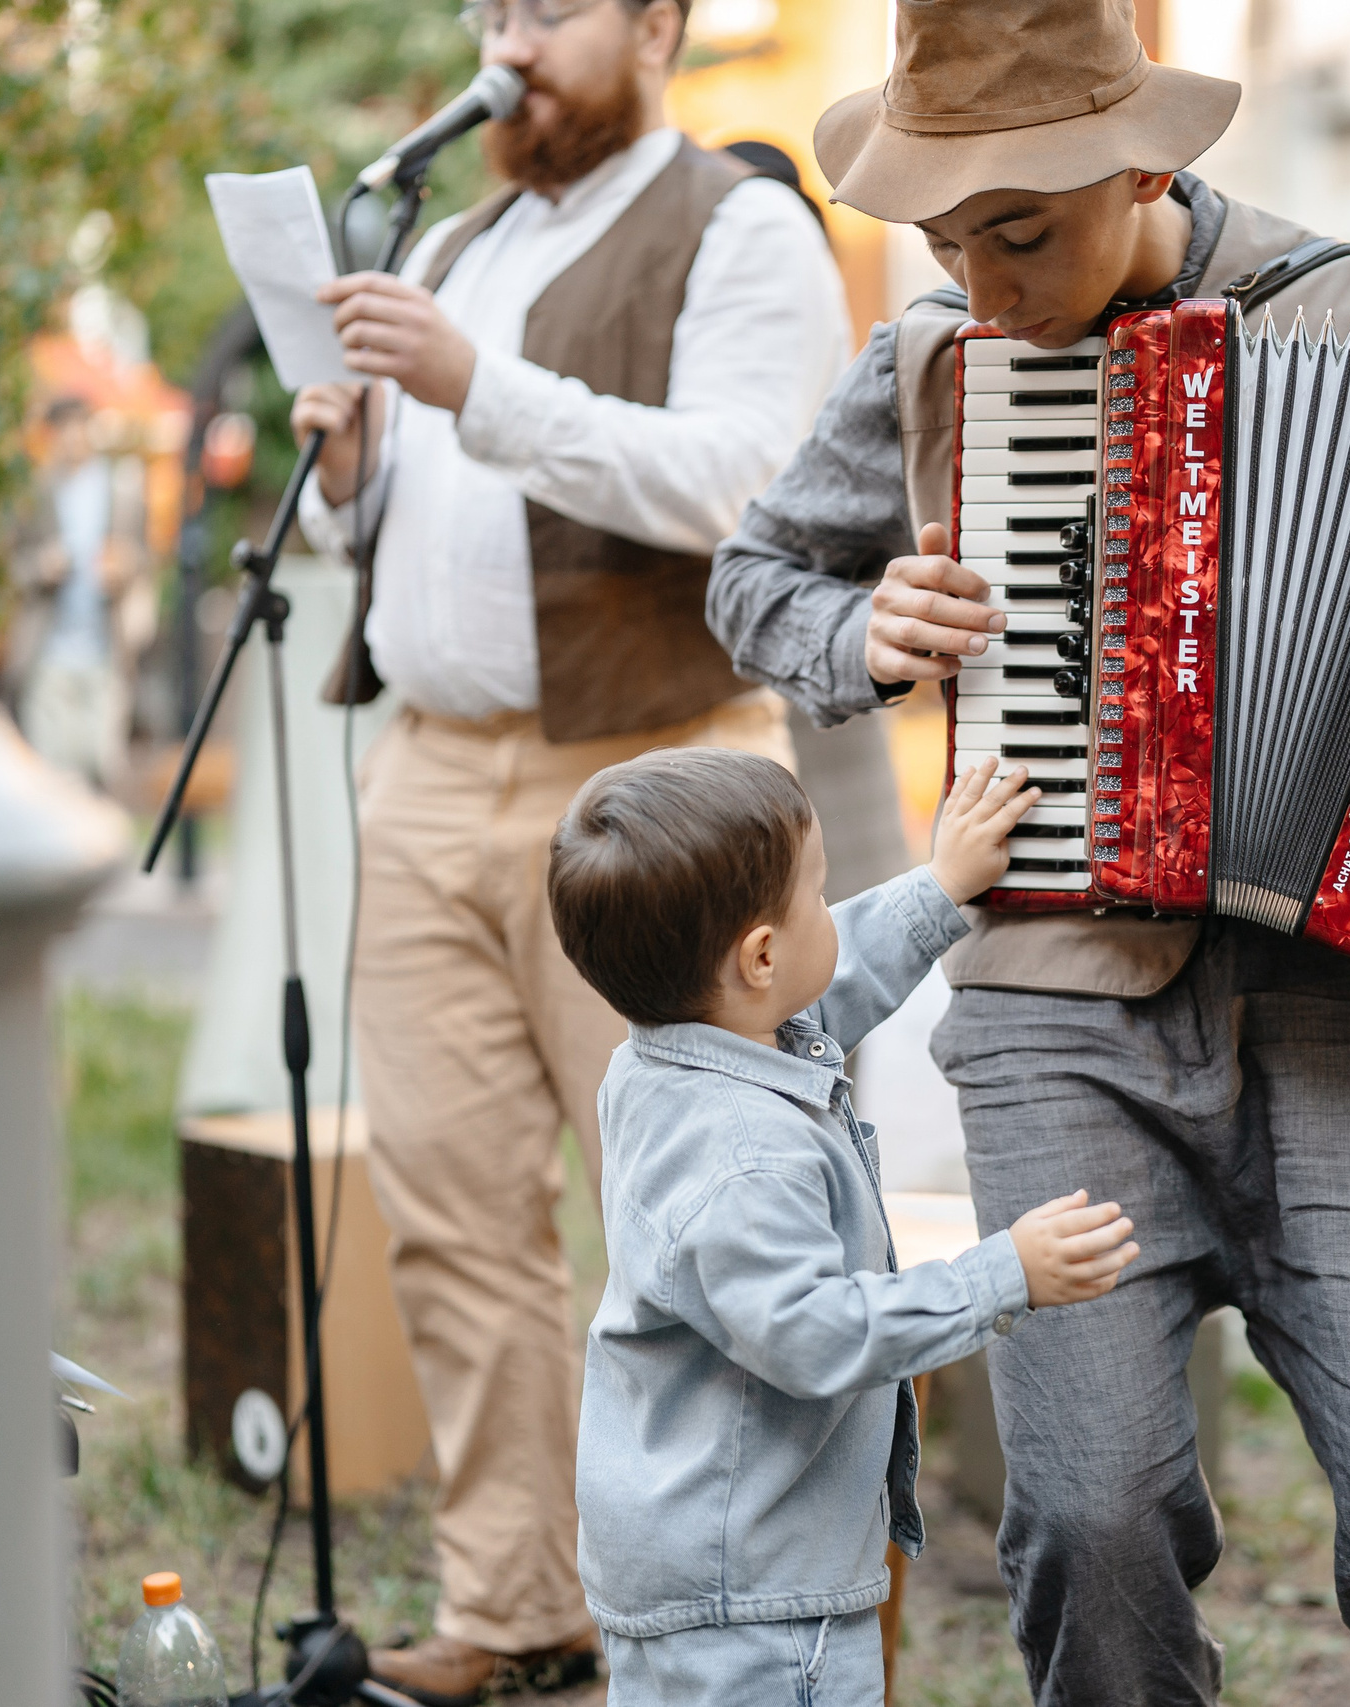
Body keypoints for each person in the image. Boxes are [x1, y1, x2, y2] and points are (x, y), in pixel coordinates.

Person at [705, 3, 1350, 1701]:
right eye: (942, 240)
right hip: (1055, 1008)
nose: (982, 287)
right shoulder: (934, 364)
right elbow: (753, 583)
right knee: (1092, 1521)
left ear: (1146, 157)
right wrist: (865, 627)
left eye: (1022, 233)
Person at [282, 0, 848, 1695]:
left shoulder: (739, 227)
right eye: (493, 7)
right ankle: (522, 1608)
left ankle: (733, 1631)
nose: (509, 36)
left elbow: (750, 484)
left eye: (554, 5)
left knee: (690, 1222)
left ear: (661, 22)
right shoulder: (456, 238)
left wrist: (480, 388)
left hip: (655, 781)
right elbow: (410, 526)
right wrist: (354, 468)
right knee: (454, 1216)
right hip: (434, 772)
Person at [550, 749, 1137, 1705]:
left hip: (691, 1571)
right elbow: (820, 1334)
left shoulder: (669, 1058)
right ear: (762, 956)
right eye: (820, 895)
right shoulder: (746, 1157)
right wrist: (1000, 1276)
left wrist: (943, 887)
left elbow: (823, 984)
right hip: (761, 1608)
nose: (833, 911)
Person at [11, 396, 151, 793]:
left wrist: (124, 566)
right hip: (49, 648)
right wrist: (42, 566)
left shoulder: (120, 488)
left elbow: (143, 556)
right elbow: (13, 565)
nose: (72, 438)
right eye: (63, 429)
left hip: (106, 646)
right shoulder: (35, 491)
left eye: (79, 427)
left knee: (100, 765)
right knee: (51, 771)